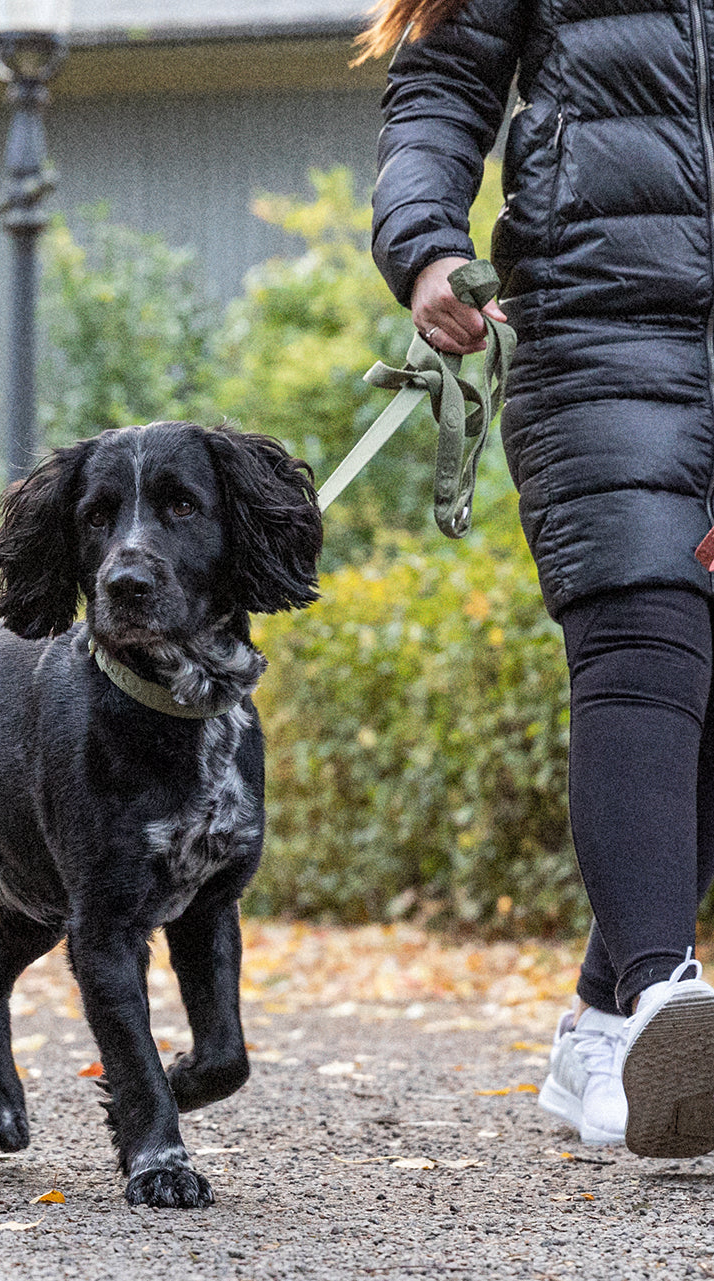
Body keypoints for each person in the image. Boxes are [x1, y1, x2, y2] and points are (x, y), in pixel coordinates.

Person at [358, 0, 714, 1157]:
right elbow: (438, 92)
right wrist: (423, 248)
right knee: (643, 635)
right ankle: (665, 995)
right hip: (599, 321)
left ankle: (608, 1030)